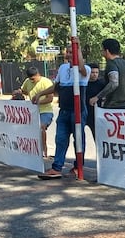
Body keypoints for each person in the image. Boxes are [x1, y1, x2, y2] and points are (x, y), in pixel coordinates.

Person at [34, 42, 90, 179]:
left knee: (78, 140)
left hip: (78, 110)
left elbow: (81, 69)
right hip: (64, 110)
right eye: (68, 52)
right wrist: (40, 93)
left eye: (73, 52)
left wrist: (78, 48)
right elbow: (56, 86)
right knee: (60, 139)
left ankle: (78, 167)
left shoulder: (85, 69)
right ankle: (56, 168)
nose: (69, 55)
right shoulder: (63, 68)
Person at [15, 67, 54, 158]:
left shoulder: (46, 82)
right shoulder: (27, 81)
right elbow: (24, 91)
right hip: (32, 111)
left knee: (41, 127)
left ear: (38, 75)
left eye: (33, 79)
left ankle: (44, 151)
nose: (32, 81)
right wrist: (18, 92)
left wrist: (38, 102)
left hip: (45, 111)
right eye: (30, 79)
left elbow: (50, 98)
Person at [89, 38, 125, 109]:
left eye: (102, 50)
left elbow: (114, 83)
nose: (102, 53)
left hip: (113, 107)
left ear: (107, 51)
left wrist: (97, 97)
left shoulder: (111, 64)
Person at [85, 62, 106, 141]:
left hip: (96, 114)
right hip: (84, 112)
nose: (95, 74)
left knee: (97, 138)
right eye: (92, 72)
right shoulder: (84, 84)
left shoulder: (101, 84)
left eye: (96, 72)